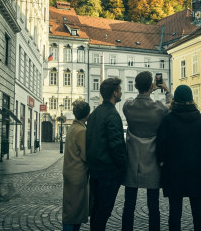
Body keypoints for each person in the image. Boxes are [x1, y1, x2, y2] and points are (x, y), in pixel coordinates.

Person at [157, 85, 201, 231]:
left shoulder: (168, 120)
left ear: (175, 100)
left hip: (173, 171)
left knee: (175, 211)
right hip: (196, 171)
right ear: (191, 99)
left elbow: (160, 147)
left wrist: (162, 162)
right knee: (198, 209)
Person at [121, 71, 172, 231]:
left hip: (132, 162)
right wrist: (167, 91)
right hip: (152, 162)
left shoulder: (128, 106)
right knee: (153, 205)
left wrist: (148, 90)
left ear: (135, 86)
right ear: (151, 86)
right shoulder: (159, 108)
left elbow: (133, 100)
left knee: (129, 204)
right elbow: (172, 106)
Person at [86, 77, 126, 231]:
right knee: (104, 210)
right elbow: (116, 145)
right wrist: (122, 166)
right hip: (108, 171)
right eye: (120, 89)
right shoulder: (112, 114)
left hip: (95, 169)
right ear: (115, 93)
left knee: (96, 209)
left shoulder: (95, 113)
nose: (121, 92)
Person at [62, 100, 91, 231]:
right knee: (74, 211)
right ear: (87, 114)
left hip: (70, 172)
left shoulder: (73, 127)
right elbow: (85, 155)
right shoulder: (81, 131)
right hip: (77, 175)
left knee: (71, 208)